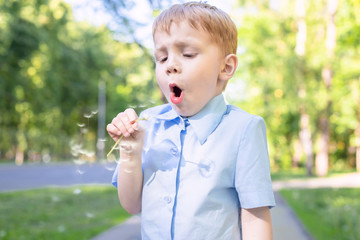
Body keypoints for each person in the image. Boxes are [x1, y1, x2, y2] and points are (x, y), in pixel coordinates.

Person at [107, 2, 275, 239]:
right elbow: (132, 205)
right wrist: (130, 151)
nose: (171, 66)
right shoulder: (148, 124)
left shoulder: (243, 129)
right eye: (162, 58)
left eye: (188, 54)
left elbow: (255, 217)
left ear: (226, 67)